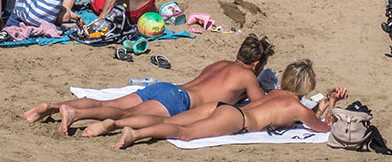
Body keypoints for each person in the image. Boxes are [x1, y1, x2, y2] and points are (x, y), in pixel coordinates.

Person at [23, 34, 274, 135]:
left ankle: (53, 106)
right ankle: (75, 113)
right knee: (124, 114)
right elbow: (261, 107)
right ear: (256, 64)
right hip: (178, 101)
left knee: (108, 103)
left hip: (167, 88)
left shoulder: (219, 64)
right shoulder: (248, 76)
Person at [113, 65, 346, 149]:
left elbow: (310, 114)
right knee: (185, 134)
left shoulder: (275, 93)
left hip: (221, 107)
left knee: (170, 121)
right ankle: (136, 134)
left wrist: (327, 99)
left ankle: (114, 123)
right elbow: (321, 127)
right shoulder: (300, 109)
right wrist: (332, 104)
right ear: (306, 87)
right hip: (237, 121)